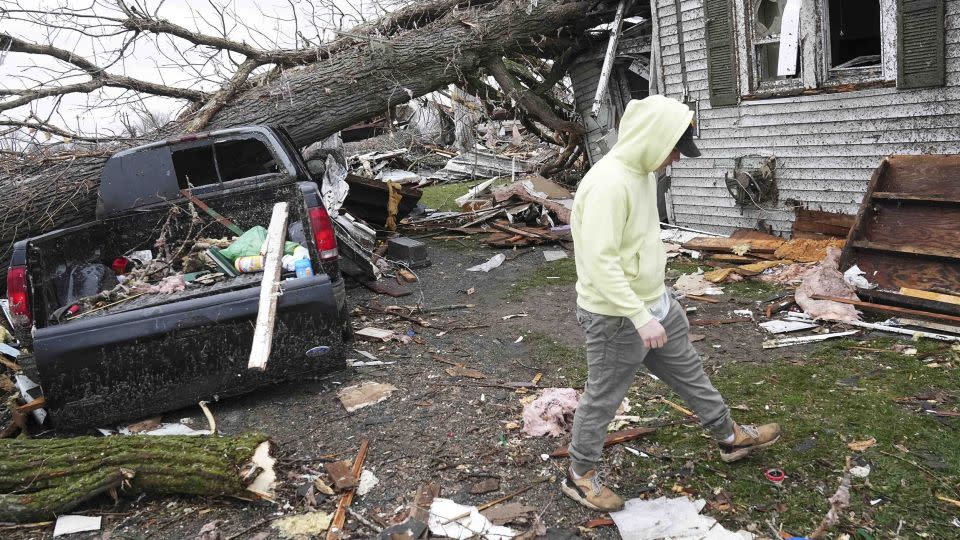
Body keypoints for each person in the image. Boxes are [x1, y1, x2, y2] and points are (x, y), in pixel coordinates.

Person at [561, 95, 781, 512]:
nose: (677, 159)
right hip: (615, 318)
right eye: (675, 149)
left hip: (654, 304)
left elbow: (639, 241)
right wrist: (640, 317)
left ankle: (729, 437)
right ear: (652, 139)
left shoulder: (642, 172)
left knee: (691, 374)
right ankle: (580, 475)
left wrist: (658, 300)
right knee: (602, 397)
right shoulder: (608, 183)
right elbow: (600, 262)